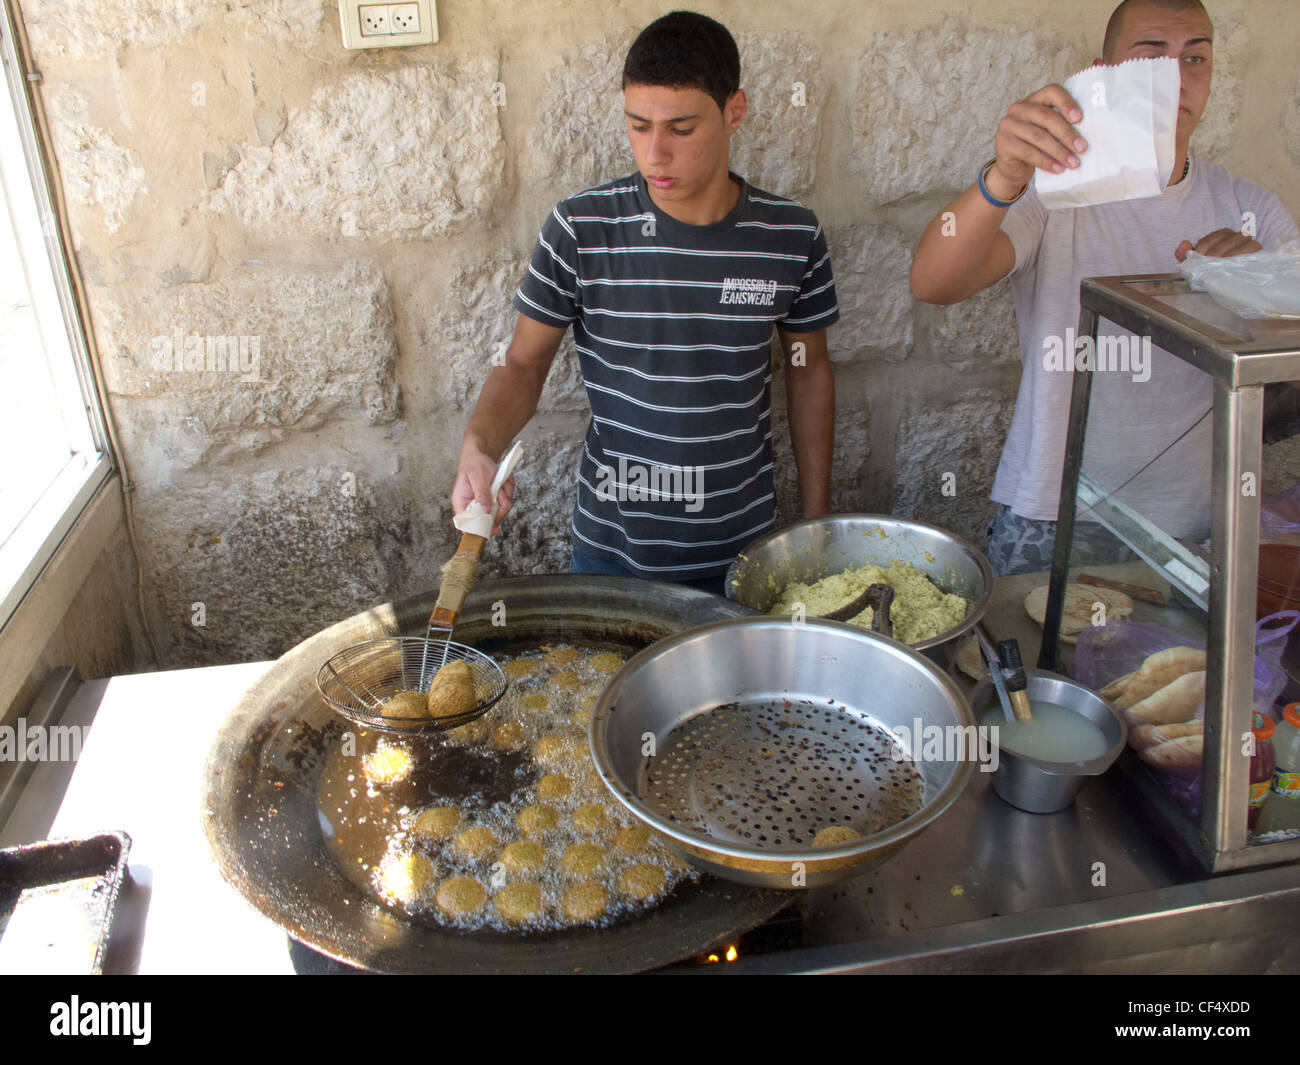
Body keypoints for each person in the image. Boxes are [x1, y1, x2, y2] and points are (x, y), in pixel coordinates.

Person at [452, 10, 838, 595]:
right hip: (613, 555)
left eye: (681, 129)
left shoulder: (789, 235)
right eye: (638, 126)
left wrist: (814, 523)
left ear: (734, 110)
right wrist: (479, 448)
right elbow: (523, 365)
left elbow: (809, 375)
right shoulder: (582, 229)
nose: (655, 153)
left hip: (744, 554)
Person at [910, 0, 1299, 576]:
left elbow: (1286, 383)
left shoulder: (1250, 211)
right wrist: (1005, 177)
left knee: (1177, 670)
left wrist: (1261, 288)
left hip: (1199, 521)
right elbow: (935, 283)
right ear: (1105, 73)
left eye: (1196, 57)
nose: (1177, 76)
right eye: (1152, 55)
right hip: (1056, 511)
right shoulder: (1053, 192)